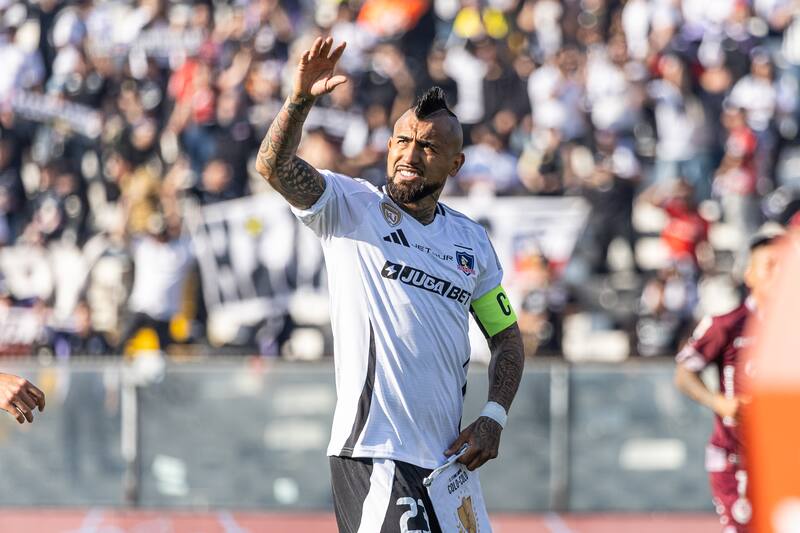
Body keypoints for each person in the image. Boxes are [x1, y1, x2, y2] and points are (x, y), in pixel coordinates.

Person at [255, 37, 525, 531]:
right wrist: (299, 100)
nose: (410, 154)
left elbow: (506, 338)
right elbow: (273, 167)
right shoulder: (349, 206)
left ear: (455, 164)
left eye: (428, 146)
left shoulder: (472, 242)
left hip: (447, 468)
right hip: (375, 452)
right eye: (402, 141)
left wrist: (494, 415)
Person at [674, 229, 784, 533]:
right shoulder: (728, 325)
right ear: (750, 275)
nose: (779, 274)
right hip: (737, 461)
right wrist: (719, 402)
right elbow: (684, 373)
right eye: (770, 266)